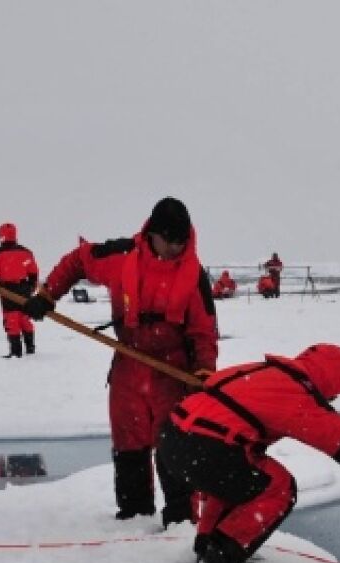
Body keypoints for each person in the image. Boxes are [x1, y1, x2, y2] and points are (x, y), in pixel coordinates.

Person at [157, 343, 340, 563]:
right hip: (207, 448)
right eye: (335, 392)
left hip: (172, 441)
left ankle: (208, 548)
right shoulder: (296, 397)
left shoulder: (260, 371)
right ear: (328, 380)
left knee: (239, 480)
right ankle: (223, 556)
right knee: (277, 487)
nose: (332, 400)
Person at [22, 197, 218, 525]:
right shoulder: (122, 256)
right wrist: (47, 295)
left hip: (172, 372)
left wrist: (203, 372)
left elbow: (204, 333)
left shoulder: (194, 276)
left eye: (180, 242)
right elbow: (79, 261)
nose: (174, 248)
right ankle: (134, 518)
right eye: (168, 240)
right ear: (152, 233)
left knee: (174, 447)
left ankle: (180, 524)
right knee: (129, 445)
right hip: (128, 365)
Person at [0, 222, 39, 358]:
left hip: (7, 290)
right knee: (25, 318)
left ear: (1, 236)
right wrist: (32, 287)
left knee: (12, 319)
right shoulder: (26, 252)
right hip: (24, 288)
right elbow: (33, 272)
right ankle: (30, 347)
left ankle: (16, 351)